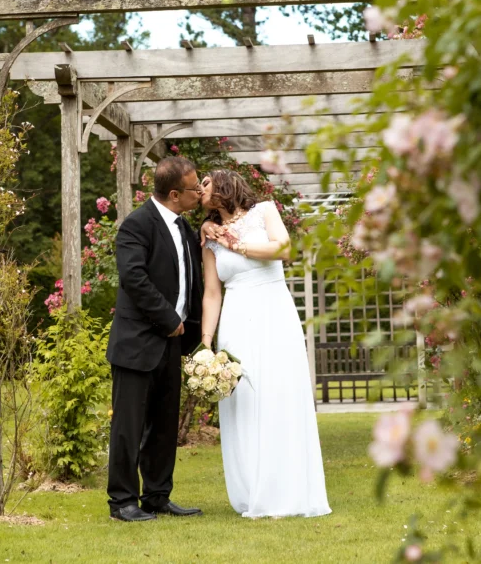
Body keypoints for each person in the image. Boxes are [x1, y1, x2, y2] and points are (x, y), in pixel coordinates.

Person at [199, 169, 331, 518]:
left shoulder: (265, 211)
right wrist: (206, 344)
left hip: (274, 312)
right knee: (245, 400)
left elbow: (283, 249)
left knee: (279, 393)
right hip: (237, 318)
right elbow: (212, 294)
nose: (200, 190)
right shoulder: (209, 238)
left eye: (206, 184)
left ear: (224, 185)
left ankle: (287, 490)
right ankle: (252, 489)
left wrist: (237, 244)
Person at [106, 156, 204, 522]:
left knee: (164, 427)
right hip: (137, 343)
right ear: (175, 194)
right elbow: (134, 279)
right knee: (128, 428)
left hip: (172, 344)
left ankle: (157, 496)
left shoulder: (185, 227)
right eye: (195, 188)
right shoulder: (136, 225)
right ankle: (122, 502)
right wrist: (168, 320)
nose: (200, 192)